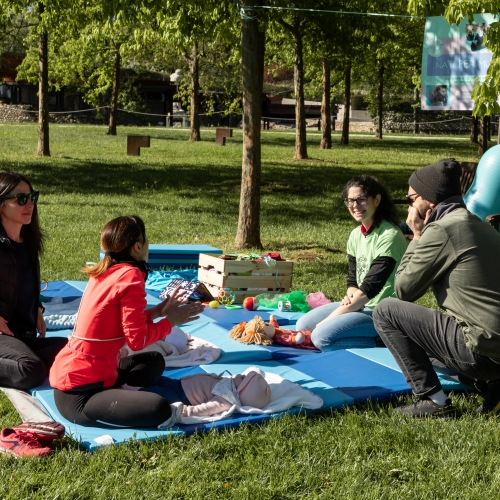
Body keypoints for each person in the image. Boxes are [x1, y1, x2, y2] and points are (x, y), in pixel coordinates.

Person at [373, 158, 500, 418]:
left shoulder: (442, 229)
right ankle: (493, 386)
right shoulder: (480, 225)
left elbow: (404, 290)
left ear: (429, 201)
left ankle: (433, 401)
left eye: (411, 199)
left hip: (484, 351)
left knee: (386, 311)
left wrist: (417, 235)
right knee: (420, 348)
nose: (409, 207)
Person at [49, 215, 204, 428]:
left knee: (154, 360)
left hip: (93, 372)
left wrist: (158, 312)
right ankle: (124, 397)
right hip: (79, 394)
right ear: (138, 246)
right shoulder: (130, 275)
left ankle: (125, 393)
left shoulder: (106, 271)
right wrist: (170, 321)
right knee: (159, 408)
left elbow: (117, 326)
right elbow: (137, 341)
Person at [295, 175, 407, 351]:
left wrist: (327, 321)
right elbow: (353, 279)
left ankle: (383, 341)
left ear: (377, 200)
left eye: (361, 199)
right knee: (304, 324)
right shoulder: (356, 234)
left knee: (321, 337)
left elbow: (371, 288)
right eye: (350, 201)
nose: (354, 206)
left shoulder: (390, 236)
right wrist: (351, 296)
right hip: (361, 304)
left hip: (384, 312)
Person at [0, 172, 67, 389]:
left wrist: (37, 307)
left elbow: (24, 283)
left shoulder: (28, 243)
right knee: (31, 369)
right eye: (21, 199)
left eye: (32, 197)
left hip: (21, 335)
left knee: (71, 350)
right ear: (1, 204)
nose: (30, 204)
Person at [142, 369, 272, 419]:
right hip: (179, 384)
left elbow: (209, 408)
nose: (240, 374)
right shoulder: (230, 384)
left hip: (181, 395)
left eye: (243, 378)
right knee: (157, 380)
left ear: (242, 390)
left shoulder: (227, 398)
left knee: (154, 393)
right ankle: (133, 383)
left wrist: (188, 411)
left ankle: (131, 392)